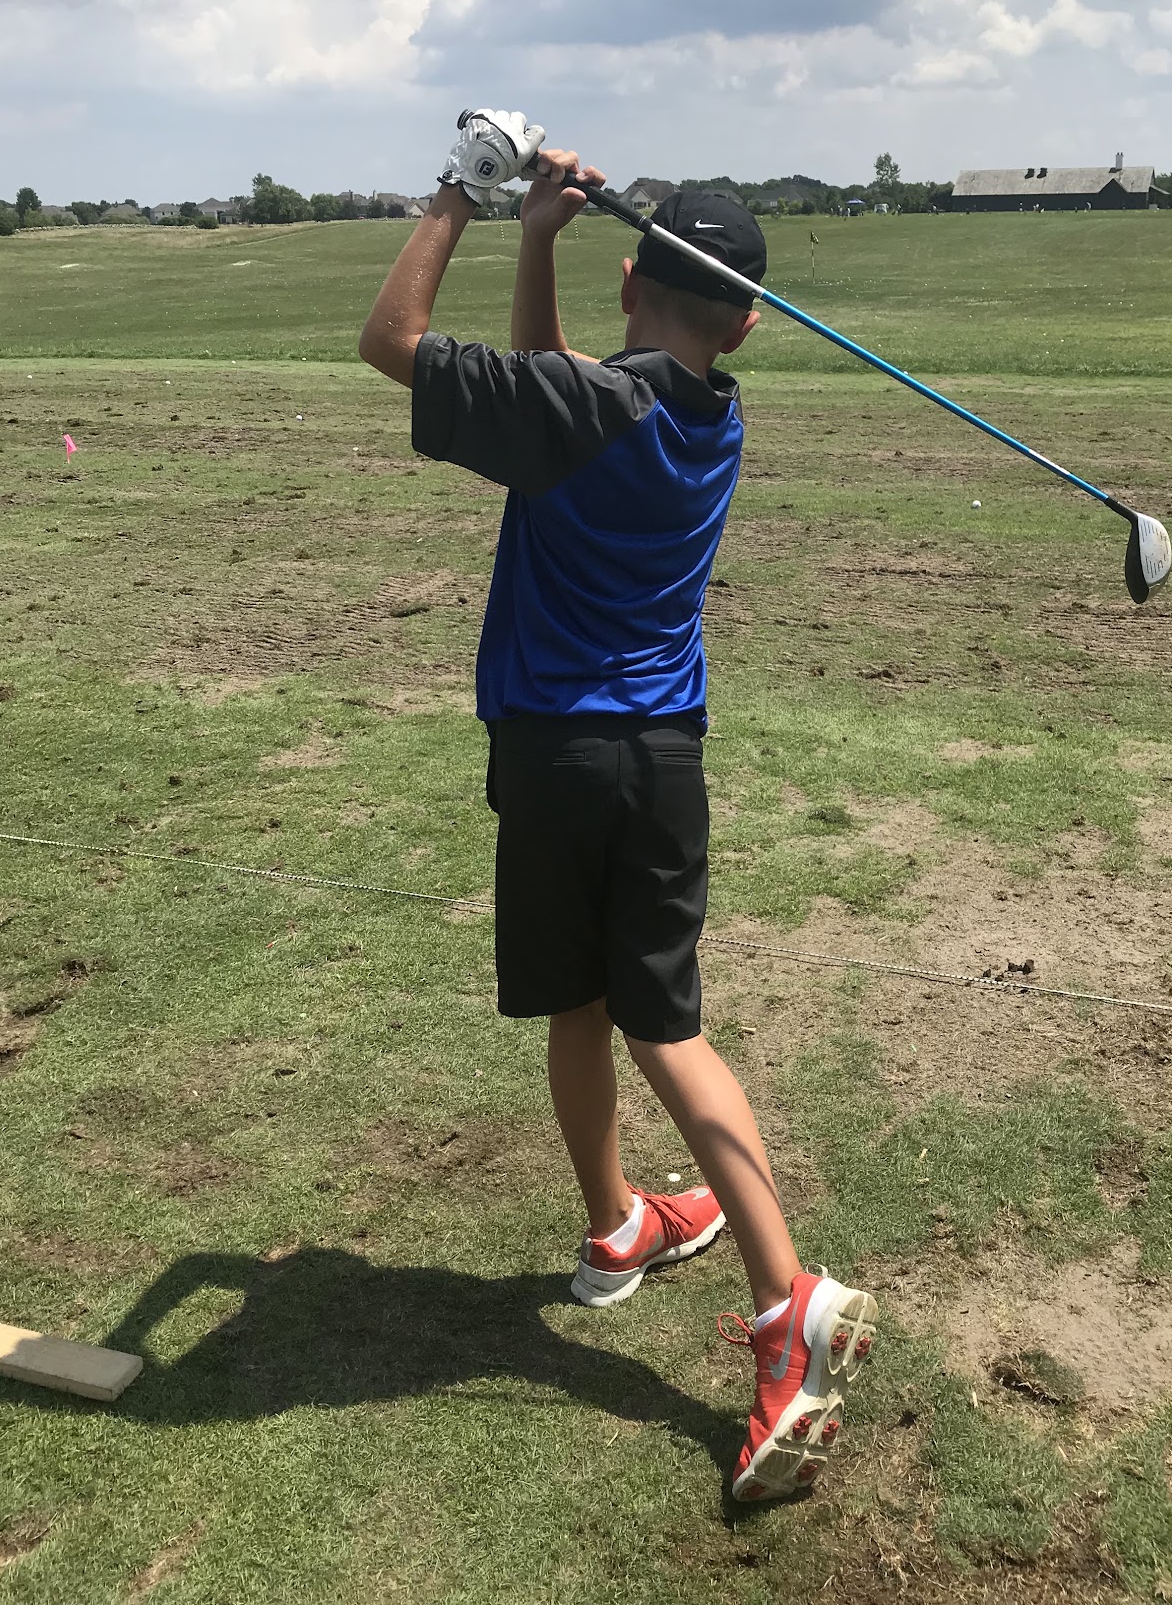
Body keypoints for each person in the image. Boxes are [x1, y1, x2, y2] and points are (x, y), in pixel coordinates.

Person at [358, 110, 878, 1502]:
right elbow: (554, 395)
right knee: (594, 1003)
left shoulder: (591, 405)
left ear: (637, 283)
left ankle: (788, 1300)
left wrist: (462, 199)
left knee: (656, 1030)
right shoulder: (709, 410)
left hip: (560, 758)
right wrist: (544, 243)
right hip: (661, 760)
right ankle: (617, 1229)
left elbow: (391, 342)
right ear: (744, 324)